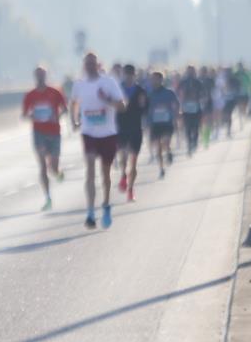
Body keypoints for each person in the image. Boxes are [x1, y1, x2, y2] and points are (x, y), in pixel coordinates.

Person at [70, 53, 126, 229]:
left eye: (92, 63)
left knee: (105, 174)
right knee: (90, 170)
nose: (90, 66)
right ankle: (90, 213)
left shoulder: (108, 82)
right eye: (87, 63)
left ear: (98, 65)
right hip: (88, 133)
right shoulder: (79, 84)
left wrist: (106, 99)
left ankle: (106, 205)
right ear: (84, 65)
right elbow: (73, 103)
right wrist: (74, 121)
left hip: (107, 133)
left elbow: (122, 106)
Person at [21, 66, 67, 210]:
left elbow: (65, 109)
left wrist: (57, 116)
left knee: (53, 167)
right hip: (39, 133)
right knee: (42, 165)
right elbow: (24, 115)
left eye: (42, 75)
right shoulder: (30, 95)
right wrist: (32, 116)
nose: (40, 77)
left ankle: (58, 173)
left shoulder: (55, 92)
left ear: (46, 76)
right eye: (38, 75)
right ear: (35, 77)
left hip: (54, 132)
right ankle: (48, 197)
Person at [115, 64, 148, 202]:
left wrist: (143, 105)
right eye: (126, 74)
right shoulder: (118, 89)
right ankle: (123, 175)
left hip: (135, 128)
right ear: (123, 74)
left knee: (133, 161)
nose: (128, 77)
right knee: (123, 157)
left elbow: (145, 109)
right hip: (121, 128)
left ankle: (130, 189)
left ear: (134, 75)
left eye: (131, 74)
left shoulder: (140, 91)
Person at [147, 71, 180, 179]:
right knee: (158, 149)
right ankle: (161, 169)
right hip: (155, 124)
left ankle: (169, 152)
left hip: (167, 123)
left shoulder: (169, 93)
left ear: (161, 80)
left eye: (156, 79)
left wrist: (175, 115)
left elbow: (176, 104)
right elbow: (145, 108)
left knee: (165, 142)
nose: (154, 81)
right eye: (152, 79)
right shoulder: (149, 94)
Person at [178, 65, 204, 156]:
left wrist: (197, 97)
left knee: (196, 126)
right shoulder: (183, 82)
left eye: (192, 71)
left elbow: (203, 93)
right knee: (187, 127)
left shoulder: (198, 82)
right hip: (186, 108)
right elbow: (178, 93)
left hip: (196, 107)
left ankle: (195, 141)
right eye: (189, 71)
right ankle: (189, 144)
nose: (190, 73)